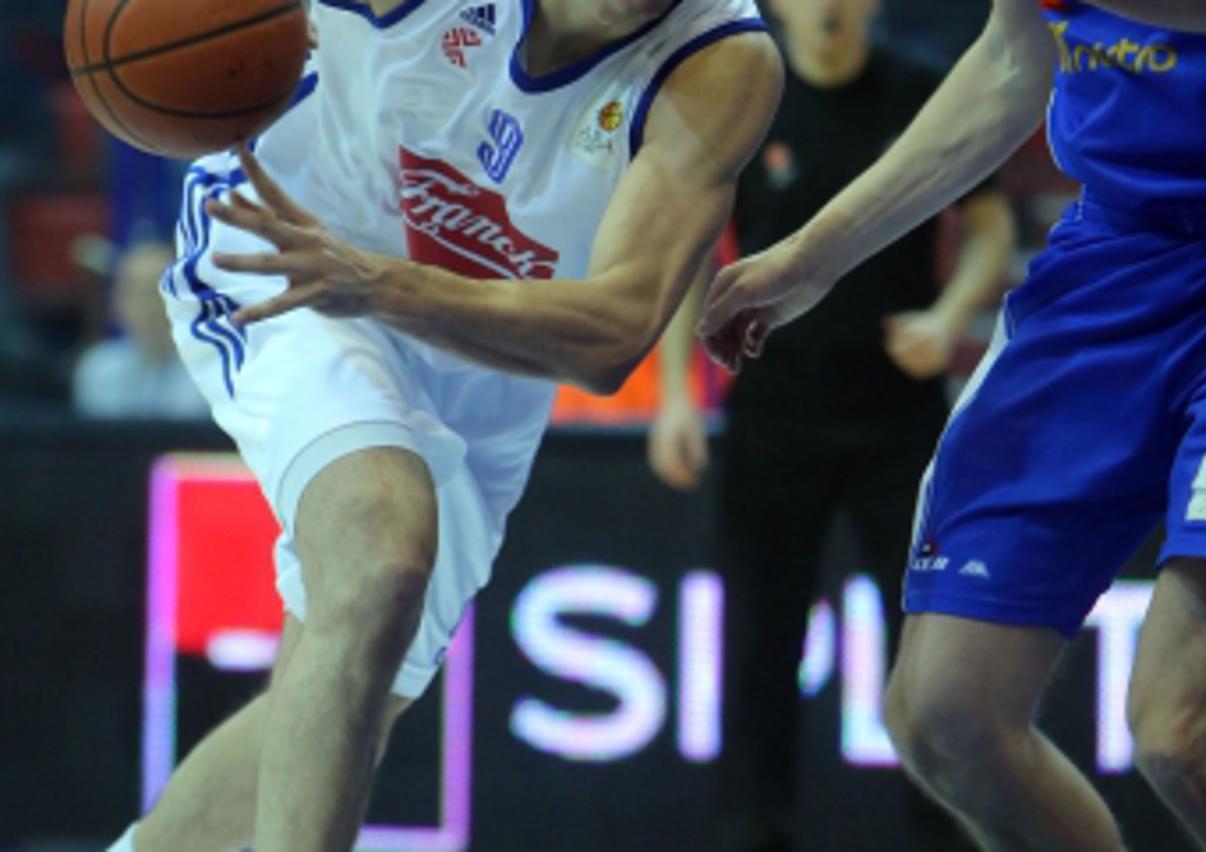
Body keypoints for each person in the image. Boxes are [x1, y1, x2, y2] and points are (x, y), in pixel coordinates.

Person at [106, 2, 781, 851]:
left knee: (347, 695)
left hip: (482, 357)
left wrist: (382, 285)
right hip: (295, 257)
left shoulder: (718, 64)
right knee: (382, 551)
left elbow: (613, 335)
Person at [697, 0, 1206, 849]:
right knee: (946, 718)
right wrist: (814, 253)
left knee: (1189, 736)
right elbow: (1014, 57)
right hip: (1115, 257)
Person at [648, 2, 1014, 849]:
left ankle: (944, 836)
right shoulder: (746, 98)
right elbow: (688, 251)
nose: (830, 7)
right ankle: (750, 833)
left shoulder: (924, 89)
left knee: (926, 657)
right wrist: (676, 397)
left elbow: (991, 231)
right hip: (775, 411)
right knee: (760, 645)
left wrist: (950, 315)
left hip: (898, 415)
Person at [72, 241, 208, 420]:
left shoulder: (212, 369)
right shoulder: (97, 368)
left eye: (160, 292)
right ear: (117, 303)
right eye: (137, 292)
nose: (149, 305)